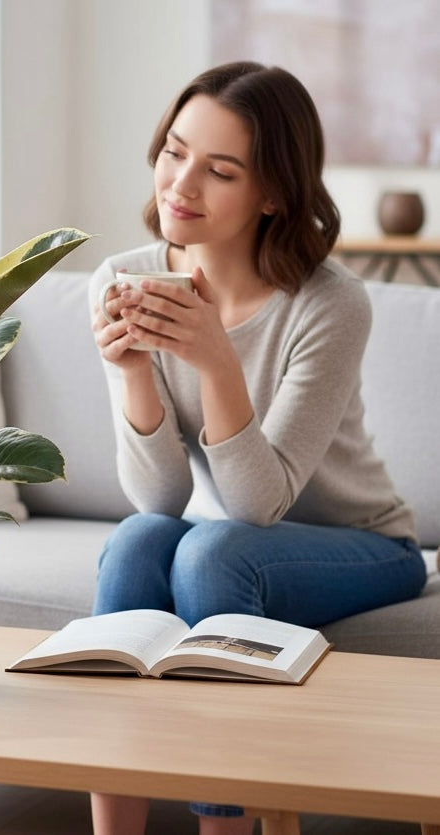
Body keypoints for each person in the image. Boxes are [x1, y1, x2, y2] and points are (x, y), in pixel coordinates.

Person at [88, 61, 426, 835]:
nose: (181, 184)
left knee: (214, 554)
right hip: (231, 536)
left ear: (271, 193)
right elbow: (159, 499)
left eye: (220, 170)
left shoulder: (329, 302)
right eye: (174, 152)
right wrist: (132, 372)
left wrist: (214, 360)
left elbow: (254, 503)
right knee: (140, 539)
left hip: (365, 542)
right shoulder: (121, 279)